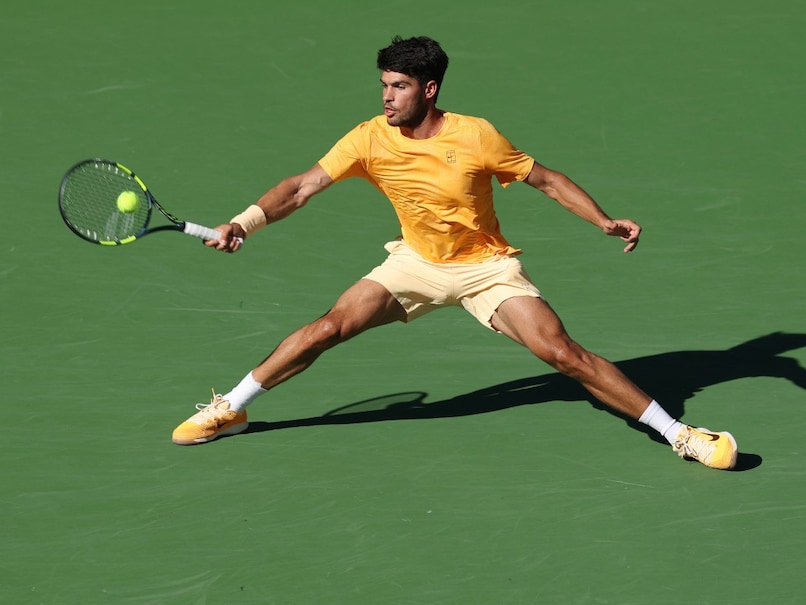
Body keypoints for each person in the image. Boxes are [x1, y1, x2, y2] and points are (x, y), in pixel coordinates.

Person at [171, 35, 738, 470]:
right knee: (328, 328)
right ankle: (232, 407)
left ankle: (680, 435)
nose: (387, 96)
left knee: (562, 354)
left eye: (399, 87)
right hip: (414, 263)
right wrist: (243, 223)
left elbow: (546, 180)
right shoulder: (368, 137)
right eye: (384, 85)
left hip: (486, 269)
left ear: (430, 90)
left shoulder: (475, 136)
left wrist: (602, 220)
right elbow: (301, 187)